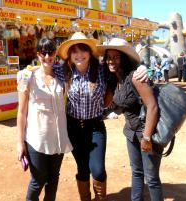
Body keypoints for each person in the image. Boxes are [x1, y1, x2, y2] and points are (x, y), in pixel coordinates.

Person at [56, 32, 148, 201]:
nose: (79, 55)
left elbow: (123, 67)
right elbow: (45, 69)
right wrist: (27, 72)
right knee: (82, 169)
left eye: (82, 50)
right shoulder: (64, 72)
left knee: (97, 170)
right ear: (70, 55)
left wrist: (142, 68)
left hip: (95, 127)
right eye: (74, 51)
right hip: (73, 127)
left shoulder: (101, 70)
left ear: (89, 52)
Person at [97, 38, 164, 201]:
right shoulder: (115, 81)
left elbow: (152, 107)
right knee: (137, 172)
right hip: (131, 133)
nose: (111, 61)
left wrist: (147, 137)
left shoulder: (135, 77)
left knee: (152, 178)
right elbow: (118, 106)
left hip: (148, 133)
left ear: (124, 58)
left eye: (116, 57)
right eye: (109, 57)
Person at [16, 37, 73, 201]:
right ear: (38, 54)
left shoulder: (61, 75)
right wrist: (20, 143)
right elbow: (21, 112)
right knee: (38, 180)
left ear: (55, 54)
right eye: (43, 53)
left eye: (51, 52)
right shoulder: (26, 77)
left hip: (58, 138)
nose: (47, 57)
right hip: (37, 138)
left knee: (53, 179)